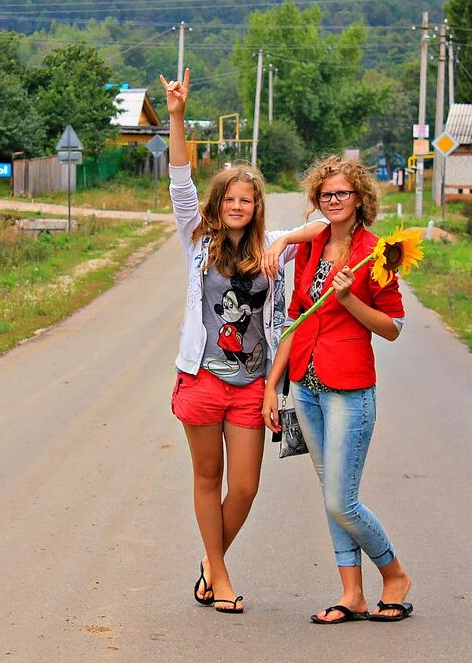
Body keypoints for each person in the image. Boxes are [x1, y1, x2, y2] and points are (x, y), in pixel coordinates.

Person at [161, 69, 324, 615]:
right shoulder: (198, 242)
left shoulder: (274, 247)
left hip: (252, 385)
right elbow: (179, 181)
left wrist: (299, 234)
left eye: (247, 201)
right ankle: (221, 575)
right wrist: (178, 116)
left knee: (247, 487)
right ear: (218, 202)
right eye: (230, 198)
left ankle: (210, 565)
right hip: (203, 380)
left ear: (257, 208)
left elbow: (321, 228)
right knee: (208, 478)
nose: (238, 206)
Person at [262, 154, 413, 625]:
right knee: (331, 491)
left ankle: (394, 574)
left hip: (348, 389)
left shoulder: (379, 253)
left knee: (339, 499)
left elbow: (393, 327)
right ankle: (352, 594)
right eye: (325, 194)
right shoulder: (312, 246)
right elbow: (295, 319)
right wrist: (274, 387)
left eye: (342, 193)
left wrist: (348, 300)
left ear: (360, 197)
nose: (333, 200)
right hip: (305, 387)